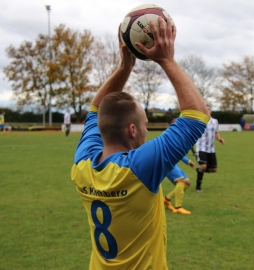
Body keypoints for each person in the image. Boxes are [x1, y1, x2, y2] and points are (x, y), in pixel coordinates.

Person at [71, 17, 209, 269]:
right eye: (145, 124)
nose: (147, 130)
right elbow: (198, 115)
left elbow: (95, 110)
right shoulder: (140, 168)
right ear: (132, 130)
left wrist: (124, 68)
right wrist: (166, 59)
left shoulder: (82, 163)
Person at [195, 105, 225, 192]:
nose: (207, 111)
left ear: (211, 111)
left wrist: (219, 138)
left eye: (208, 109)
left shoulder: (214, 121)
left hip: (211, 149)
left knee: (214, 169)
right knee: (204, 166)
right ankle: (198, 187)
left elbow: (216, 133)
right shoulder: (199, 121)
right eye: (205, 109)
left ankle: (199, 170)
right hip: (201, 147)